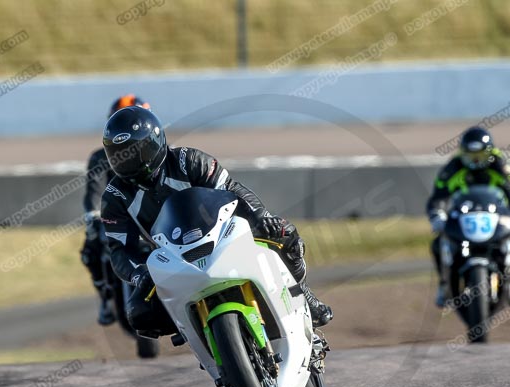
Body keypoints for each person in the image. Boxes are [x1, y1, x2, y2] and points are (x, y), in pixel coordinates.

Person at [99, 106, 332, 336]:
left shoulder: (187, 160)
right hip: (174, 257)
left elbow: (232, 189)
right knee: (139, 314)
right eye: (119, 154)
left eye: (135, 150)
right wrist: (140, 274)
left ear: (154, 142)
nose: (127, 160)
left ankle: (301, 292)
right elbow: (120, 249)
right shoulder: (114, 196)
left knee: (283, 232)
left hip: (222, 234)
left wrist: (260, 217)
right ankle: (197, 334)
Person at [426, 126, 510, 310]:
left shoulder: (501, 166)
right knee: (438, 244)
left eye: (480, 155)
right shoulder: (452, 169)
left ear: (489, 153)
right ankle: (444, 285)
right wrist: (437, 215)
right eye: (470, 155)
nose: (475, 160)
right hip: (463, 218)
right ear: (462, 153)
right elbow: (438, 197)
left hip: (495, 217)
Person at [80, 94, 151, 325]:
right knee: (90, 251)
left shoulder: (159, 151)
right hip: (114, 218)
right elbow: (94, 191)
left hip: (150, 217)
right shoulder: (101, 158)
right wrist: (93, 217)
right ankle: (104, 298)